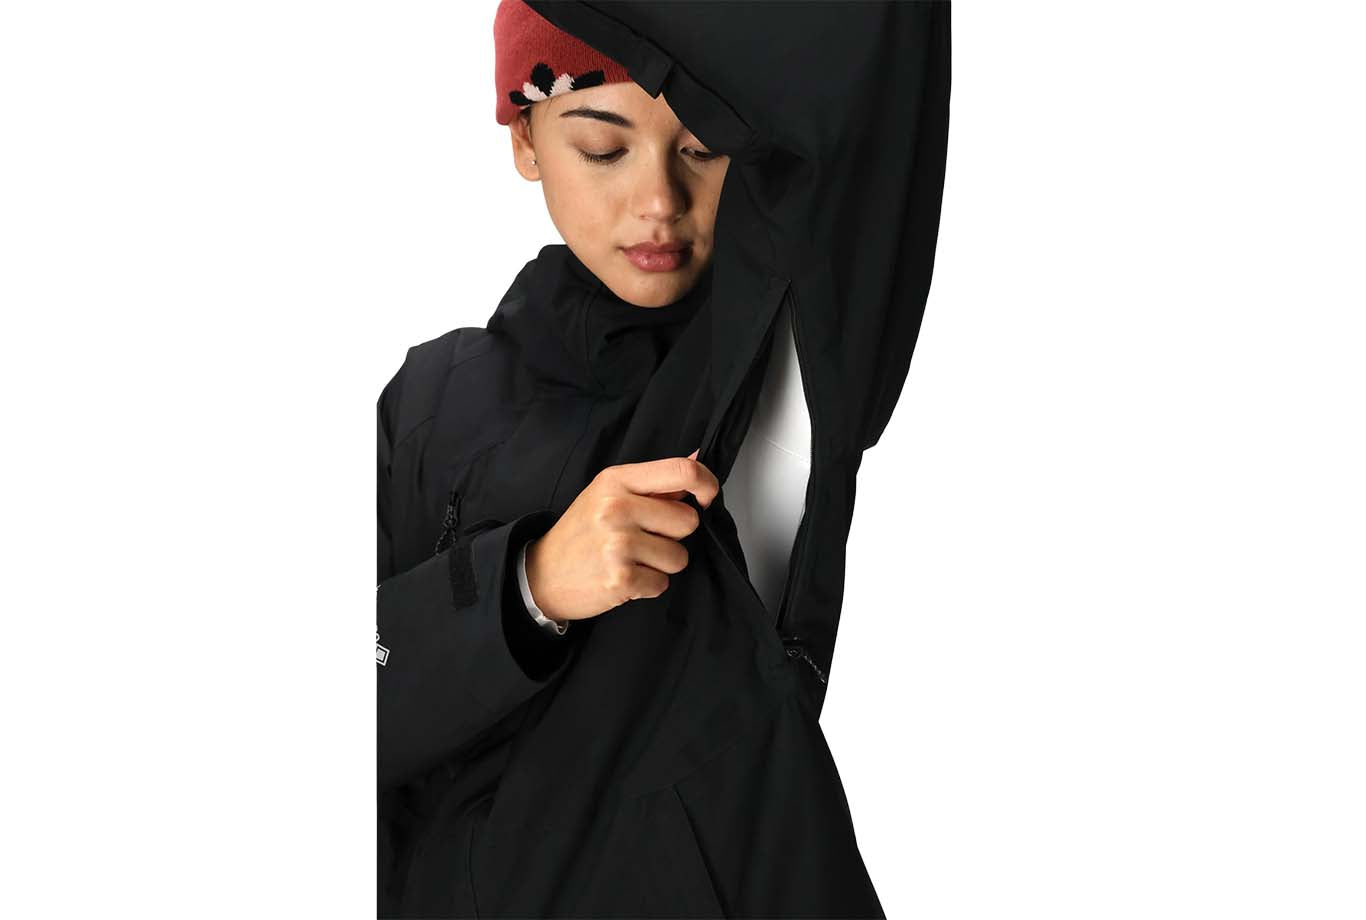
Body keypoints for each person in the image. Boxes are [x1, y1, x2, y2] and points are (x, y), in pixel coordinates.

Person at [379, 2, 950, 916]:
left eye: (705, 146)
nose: (660, 201)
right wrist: (527, 588)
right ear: (525, 140)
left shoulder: (783, 360)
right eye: (604, 148)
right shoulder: (429, 399)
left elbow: (877, 64)